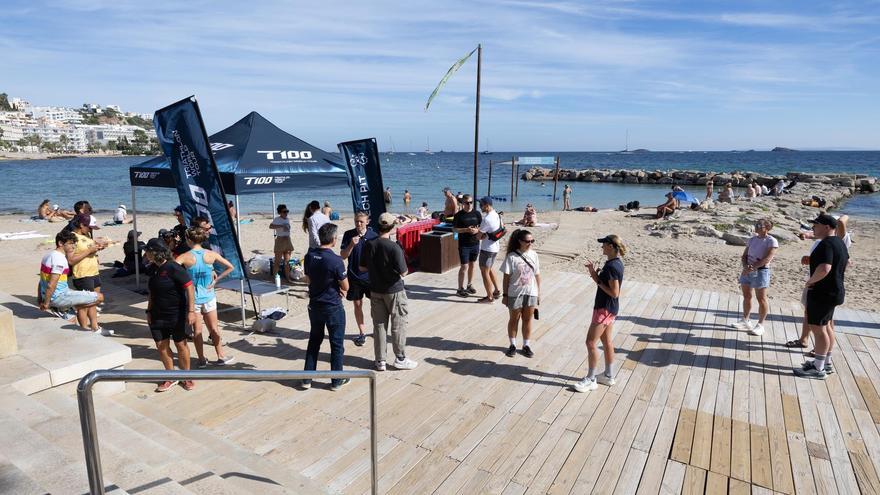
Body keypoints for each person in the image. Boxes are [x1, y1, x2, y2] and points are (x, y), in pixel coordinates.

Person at [359, 212, 417, 371]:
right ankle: (400, 357)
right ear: (392, 227)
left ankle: (380, 360)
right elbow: (404, 272)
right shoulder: (394, 247)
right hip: (394, 290)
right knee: (398, 324)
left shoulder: (369, 244)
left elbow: (362, 267)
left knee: (379, 325)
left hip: (376, 289)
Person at [794, 214, 849, 379]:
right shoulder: (839, 242)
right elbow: (847, 263)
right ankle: (826, 362)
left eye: (816, 225)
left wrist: (810, 282)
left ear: (827, 227)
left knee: (819, 329)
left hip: (823, 292)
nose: (813, 228)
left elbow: (825, 268)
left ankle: (818, 368)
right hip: (834, 290)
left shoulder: (826, 244)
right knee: (826, 327)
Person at [176, 227, 235, 367]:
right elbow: (230, 267)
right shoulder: (211, 254)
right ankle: (221, 356)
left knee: (197, 330)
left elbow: (172, 270)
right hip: (209, 296)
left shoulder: (185, 256)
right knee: (214, 328)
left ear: (188, 240)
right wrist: (216, 280)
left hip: (193, 298)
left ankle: (202, 359)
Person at [574, 235, 626, 392]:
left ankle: (591, 379)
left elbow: (614, 292)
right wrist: (594, 273)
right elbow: (605, 284)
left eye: (603, 244)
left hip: (604, 308)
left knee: (590, 342)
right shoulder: (614, 262)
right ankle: (609, 375)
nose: (601, 247)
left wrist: (597, 280)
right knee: (607, 342)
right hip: (610, 308)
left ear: (610, 246)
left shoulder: (612, 267)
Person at [144, 238, 197, 392]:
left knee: (180, 344)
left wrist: (191, 311)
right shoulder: (153, 268)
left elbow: (189, 287)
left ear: (155, 252)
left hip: (176, 314)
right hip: (156, 314)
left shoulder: (174, 267)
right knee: (161, 346)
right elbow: (152, 293)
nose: (145, 253)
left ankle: (186, 376)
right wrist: (148, 310)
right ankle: (171, 376)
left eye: (147, 251)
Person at [302, 223, 350, 390]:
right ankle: (336, 380)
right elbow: (346, 287)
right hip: (332, 306)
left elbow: (307, 278)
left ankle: (307, 379)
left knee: (314, 341)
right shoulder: (336, 261)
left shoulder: (309, 256)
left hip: (314, 305)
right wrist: (337, 287)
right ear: (334, 239)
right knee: (336, 344)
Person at [39, 229, 105, 328]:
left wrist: (40, 297)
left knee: (72, 321)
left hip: (51, 295)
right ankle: (62, 307)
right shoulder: (59, 260)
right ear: (61, 243)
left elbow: (42, 281)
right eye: (70, 244)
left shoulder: (48, 256)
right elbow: (51, 284)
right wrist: (46, 303)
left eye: (74, 244)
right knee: (100, 297)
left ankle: (64, 309)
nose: (73, 246)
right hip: (59, 296)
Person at [731, 219, 778, 336]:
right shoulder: (752, 239)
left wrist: (752, 268)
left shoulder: (771, 241)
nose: (756, 227)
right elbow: (744, 255)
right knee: (747, 295)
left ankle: (761, 325)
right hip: (747, 270)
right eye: (755, 225)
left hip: (761, 272)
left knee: (761, 299)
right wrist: (746, 267)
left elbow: (767, 259)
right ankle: (745, 320)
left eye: (759, 225)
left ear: (766, 227)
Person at [500, 229, 541, 358]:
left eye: (532, 241)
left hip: (531, 292)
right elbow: (506, 278)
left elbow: (537, 275)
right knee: (514, 319)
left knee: (528, 320)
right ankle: (512, 345)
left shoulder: (534, 255)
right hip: (515, 293)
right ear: (520, 241)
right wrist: (505, 296)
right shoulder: (511, 257)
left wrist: (538, 293)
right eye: (527, 241)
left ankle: (526, 345)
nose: (530, 243)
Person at [67, 214, 109, 334]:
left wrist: (97, 248)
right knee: (84, 304)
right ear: (81, 225)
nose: (90, 229)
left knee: (94, 302)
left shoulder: (85, 235)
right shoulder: (72, 237)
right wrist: (89, 250)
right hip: (82, 274)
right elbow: (71, 260)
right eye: (89, 227)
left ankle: (95, 328)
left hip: (94, 272)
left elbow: (88, 250)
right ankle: (84, 330)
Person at [341, 212, 377, 347]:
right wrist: (351, 245)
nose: (358, 224)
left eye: (361, 221)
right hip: (354, 276)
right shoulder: (348, 235)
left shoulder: (373, 236)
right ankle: (362, 333)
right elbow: (343, 256)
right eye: (356, 221)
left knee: (375, 304)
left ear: (367, 222)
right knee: (357, 305)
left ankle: (377, 329)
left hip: (370, 278)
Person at [453, 194, 482, 298]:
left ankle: (469, 285)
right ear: (462, 203)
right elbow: (454, 230)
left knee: (472, 265)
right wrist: (466, 230)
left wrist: (476, 230)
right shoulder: (459, 215)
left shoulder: (477, 213)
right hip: (464, 244)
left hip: (475, 243)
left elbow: (481, 227)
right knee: (464, 266)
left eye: (471, 202)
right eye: (467, 203)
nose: (469, 204)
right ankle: (460, 289)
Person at [476, 197, 502, 303]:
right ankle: (497, 290)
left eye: (481, 205)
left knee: (484, 272)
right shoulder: (497, 215)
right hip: (495, 247)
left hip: (487, 249)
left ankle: (489, 297)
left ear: (487, 205)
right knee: (490, 269)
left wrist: (476, 231)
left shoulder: (486, 219)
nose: (480, 207)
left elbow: (478, 236)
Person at [270, 204, 294, 281]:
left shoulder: (287, 219)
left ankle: (288, 278)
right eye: (284, 211)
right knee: (277, 261)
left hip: (287, 239)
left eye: (287, 211)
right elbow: (271, 226)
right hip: (280, 240)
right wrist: (281, 226)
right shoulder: (277, 219)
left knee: (287, 261)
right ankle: (275, 278)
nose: (286, 213)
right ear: (280, 212)